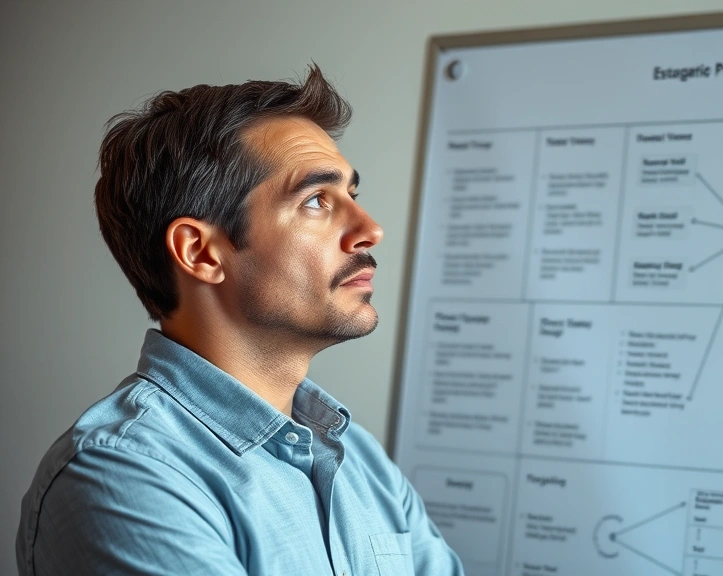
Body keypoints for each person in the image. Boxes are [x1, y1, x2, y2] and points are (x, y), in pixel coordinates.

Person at [16, 65, 464, 576]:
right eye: (316, 200)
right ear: (201, 252)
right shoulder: (123, 475)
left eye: (352, 197)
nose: (370, 229)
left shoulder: (359, 459)